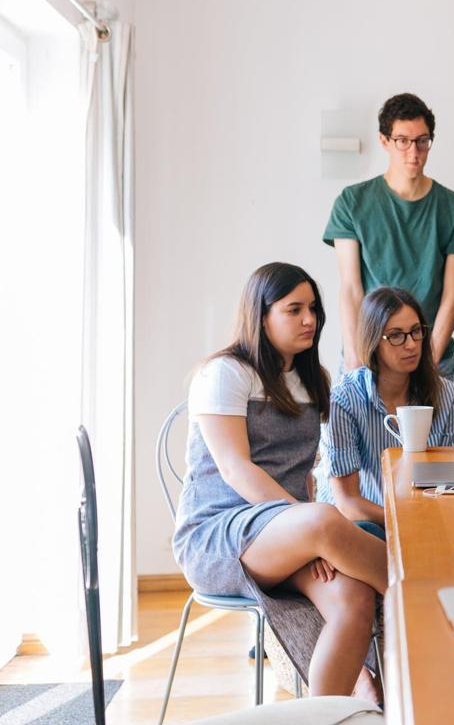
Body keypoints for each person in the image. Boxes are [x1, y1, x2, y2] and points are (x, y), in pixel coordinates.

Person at [172, 263, 386, 699]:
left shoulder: (313, 381)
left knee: (354, 600)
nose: (310, 319)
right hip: (220, 535)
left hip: (290, 534)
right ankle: (428, 597)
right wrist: (308, 527)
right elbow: (236, 469)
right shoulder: (225, 373)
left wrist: (308, 532)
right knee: (327, 521)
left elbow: (303, 472)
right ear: (261, 314)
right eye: (294, 309)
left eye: (313, 309)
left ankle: (327, 712)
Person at [325, 93, 454, 380]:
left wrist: (429, 363)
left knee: (432, 427)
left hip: (431, 354)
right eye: (402, 141)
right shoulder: (352, 202)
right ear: (385, 141)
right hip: (368, 354)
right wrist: (354, 357)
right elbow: (350, 288)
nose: (413, 151)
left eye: (422, 141)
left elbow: (452, 296)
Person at [317, 288, 454, 536]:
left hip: (425, 520)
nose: (411, 345)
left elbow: (448, 485)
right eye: (396, 336)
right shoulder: (344, 399)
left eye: (416, 332)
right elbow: (348, 503)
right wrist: (408, 521)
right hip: (360, 525)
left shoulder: (447, 395)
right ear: (373, 340)